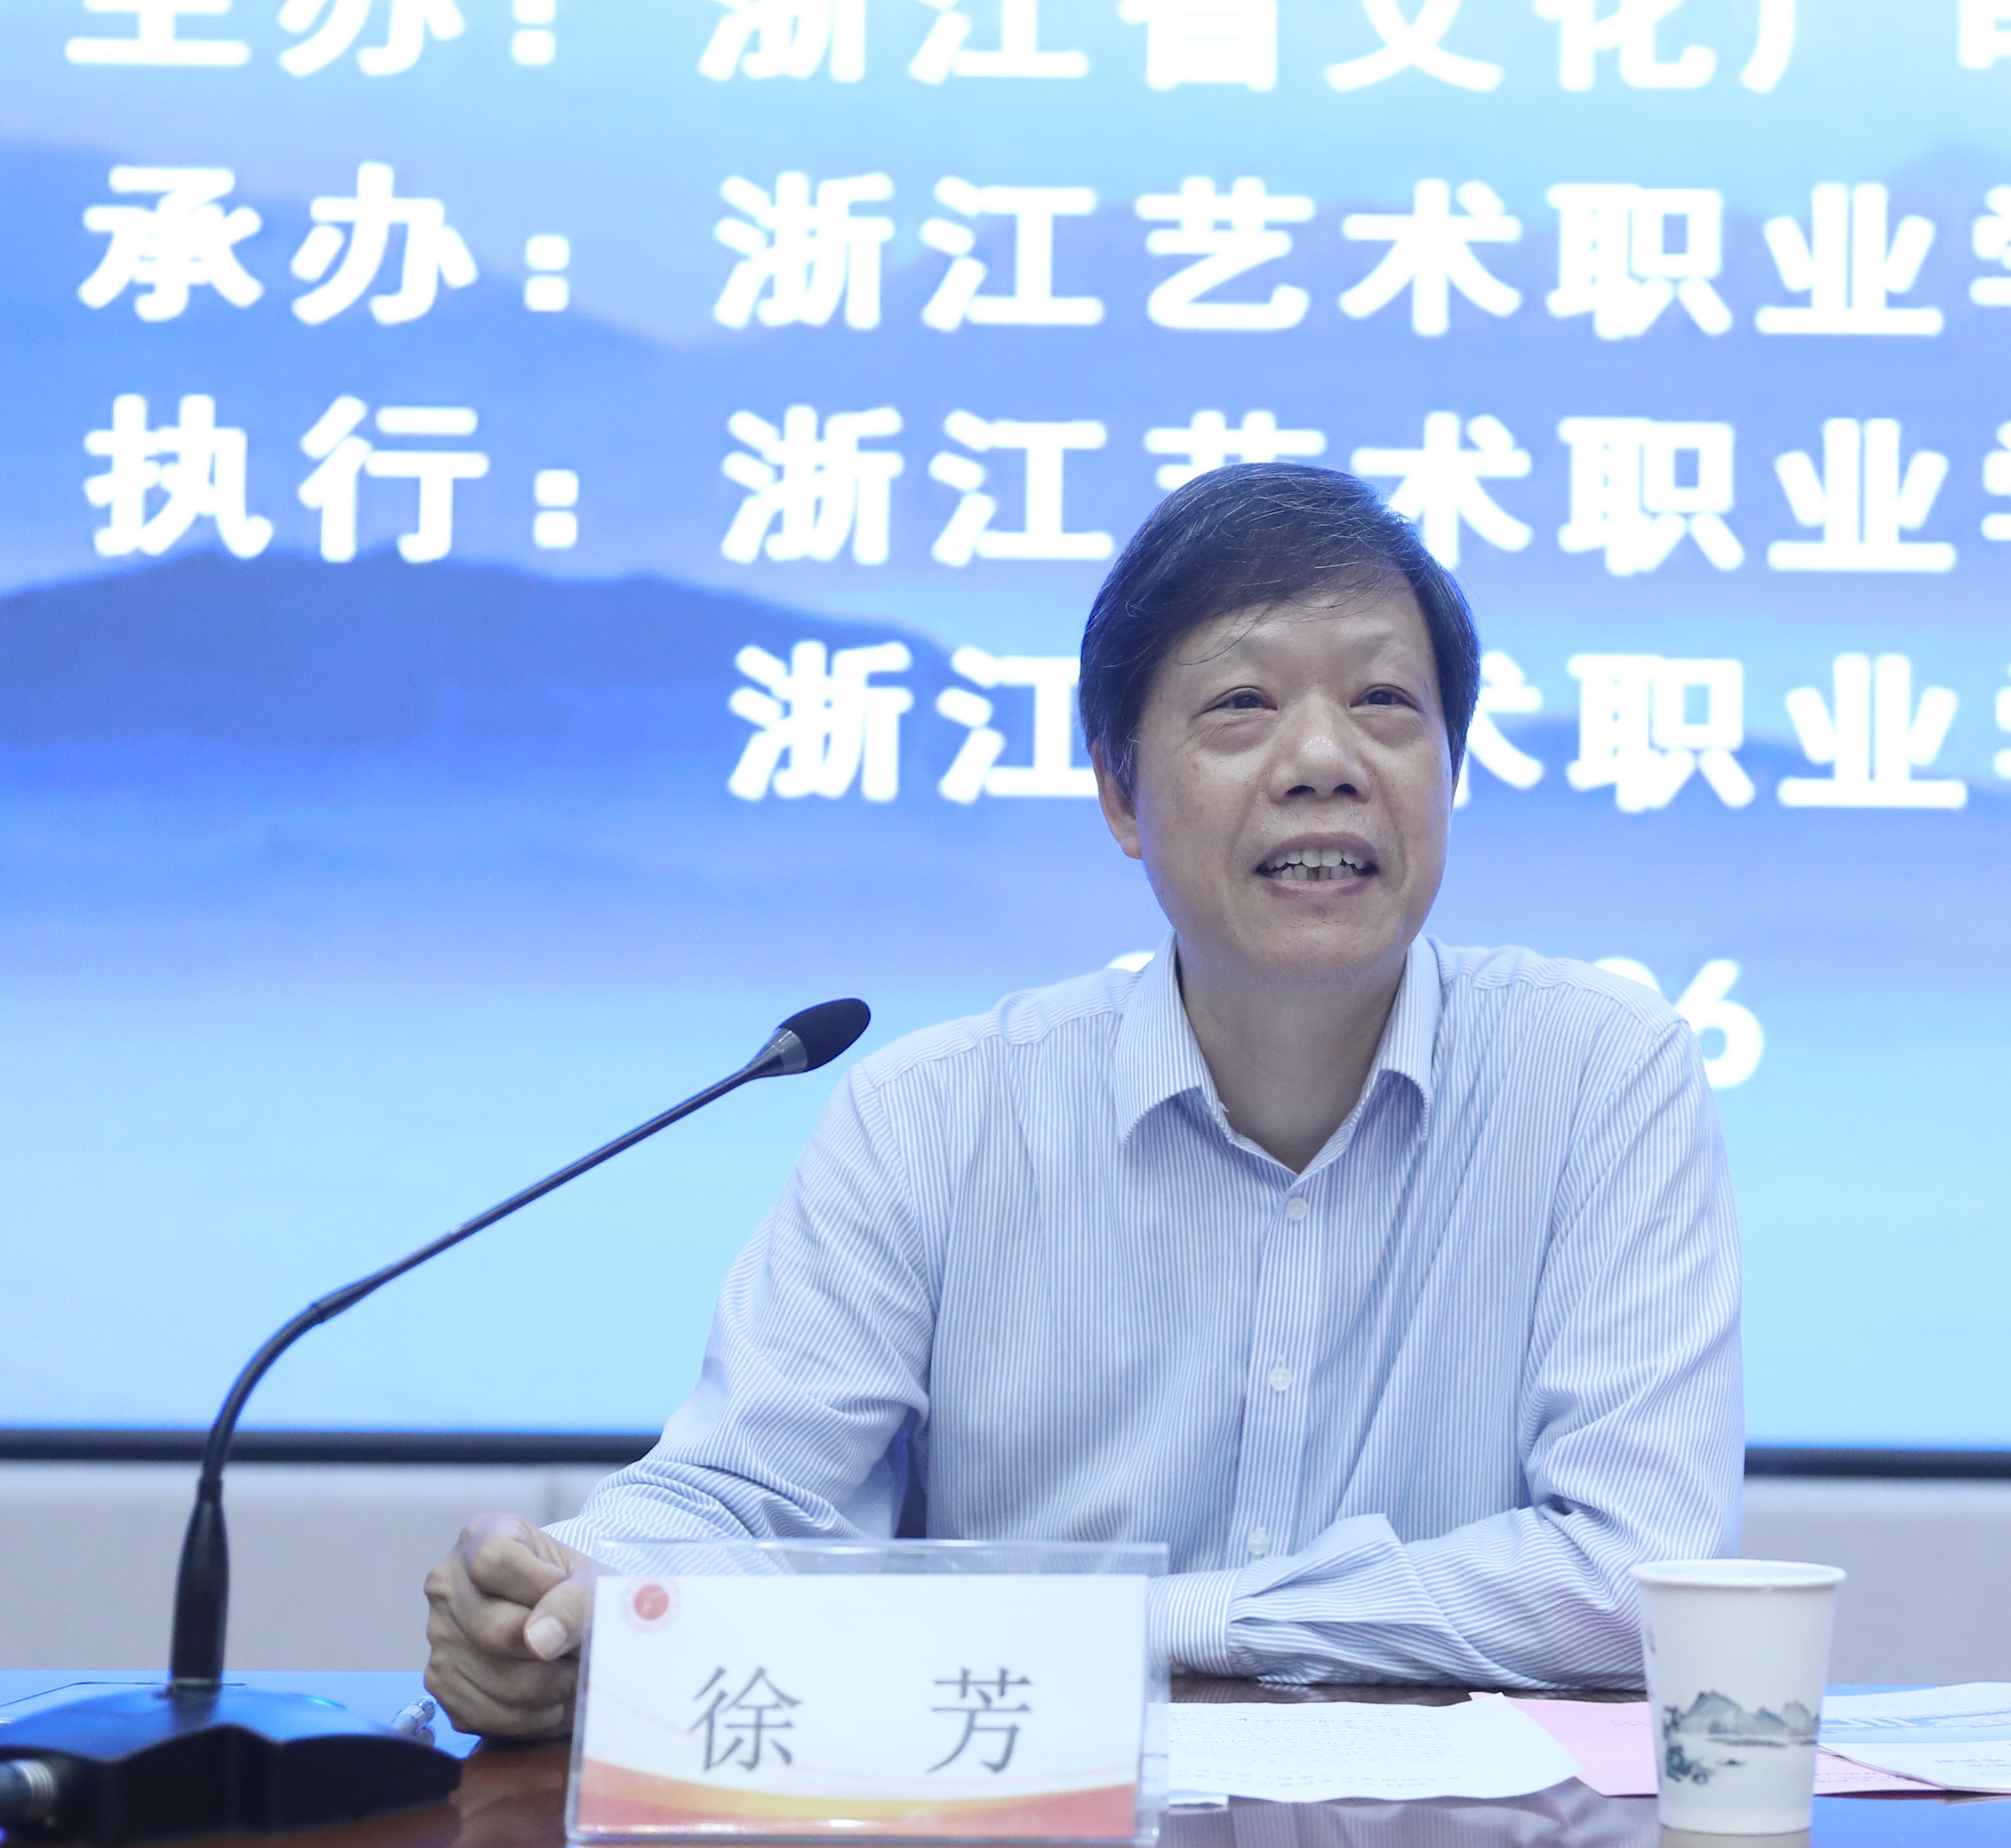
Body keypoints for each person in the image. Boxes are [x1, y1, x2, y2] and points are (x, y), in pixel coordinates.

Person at [424, 463, 1739, 1737]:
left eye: (1385, 700)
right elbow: (740, 1497)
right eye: (1243, 704)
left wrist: (1141, 1623)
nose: (1323, 759)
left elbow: (1638, 1578)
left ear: (1450, 767)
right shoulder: (933, 1122)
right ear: (1120, 792)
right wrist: (566, 1592)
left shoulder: (1598, 1076)